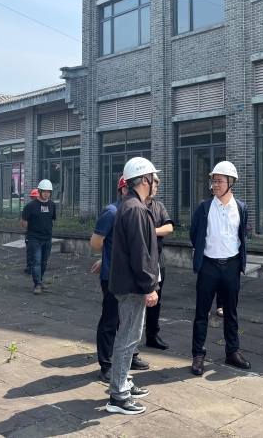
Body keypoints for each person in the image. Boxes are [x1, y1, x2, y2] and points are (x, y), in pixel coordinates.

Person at [105, 157, 161, 416]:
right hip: (132, 286)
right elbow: (140, 253)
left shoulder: (129, 205)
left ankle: (123, 382)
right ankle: (118, 396)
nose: (155, 184)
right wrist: (149, 286)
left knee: (127, 337)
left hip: (127, 283)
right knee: (127, 338)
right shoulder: (136, 209)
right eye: (153, 179)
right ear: (144, 180)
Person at [189, 161, 251, 376]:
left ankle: (232, 351)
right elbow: (194, 233)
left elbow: (242, 236)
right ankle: (198, 355)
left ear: (231, 183)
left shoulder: (241, 208)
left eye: (219, 181)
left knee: (231, 312)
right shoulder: (204, 207)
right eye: (213, 181)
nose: (214, 185)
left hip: (231, 265)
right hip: (208, 265)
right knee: (202, 312)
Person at [90, 176, 149, 383]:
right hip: (112, 276)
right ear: (123, 190)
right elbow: (96, 242)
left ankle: (130, 356)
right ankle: (106, 364)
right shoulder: (112, 212)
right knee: (111, 320)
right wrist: (108, 258)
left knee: (130, 321)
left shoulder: (137, 210)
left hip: (131, 276)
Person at [144, 171, 173, 351]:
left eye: (156, 184)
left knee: (156, 297)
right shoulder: (135, 206)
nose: (155, 187)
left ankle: (152, 335)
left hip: (157, 258)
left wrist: (150, 231)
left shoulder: (158, 206)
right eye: (153, 183)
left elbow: (169, 227)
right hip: (140, 258)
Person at [20, 180, 57, 295]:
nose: (46, 194)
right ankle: (37, 285)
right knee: (36, 260)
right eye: (44, 192)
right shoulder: (31, 206)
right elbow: (23, 221)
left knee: (44, 262)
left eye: (48, 192)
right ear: (39, 191)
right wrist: (31, 231)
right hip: (34, 238)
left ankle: (40, 280)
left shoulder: (52, 205)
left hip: (47, 238)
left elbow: (52, 219)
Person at [24, 189, 39, 275]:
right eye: (33, 198)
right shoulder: (29, 208)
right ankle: (29, 267)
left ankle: (37, 267)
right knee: (30, 251)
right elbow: (24, 220)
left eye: (35, 198)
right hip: (31, 233)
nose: (34, 200)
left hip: (40, 233)